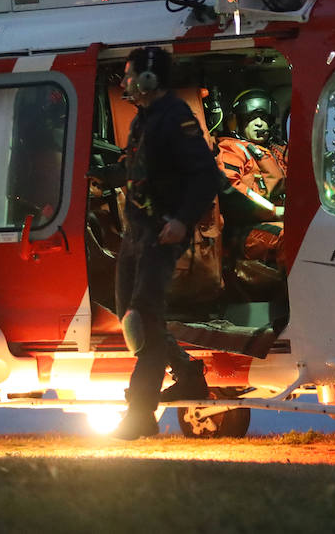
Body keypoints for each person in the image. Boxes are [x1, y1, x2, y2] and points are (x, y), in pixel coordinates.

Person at [111, 45, 225, 440]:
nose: (125, 82)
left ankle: (140, 414)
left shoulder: (176, 118)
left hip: (160, 237)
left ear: (148, 78)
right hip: (136, 235)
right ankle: (188, 374)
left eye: (130, 75)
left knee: (143, 321)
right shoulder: (143, 121)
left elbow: (207, 177)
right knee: (129, 314)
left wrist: (181, 220)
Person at [215, 88, 288, 290]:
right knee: (291, 237)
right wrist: (276, 212)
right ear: (238, 121)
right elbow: (233, 191)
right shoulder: (232, 150)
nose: (259, 123)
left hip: (276, 220)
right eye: (251, 118)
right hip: (244, 229)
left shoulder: (278, 152)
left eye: (264, 118)